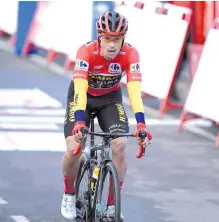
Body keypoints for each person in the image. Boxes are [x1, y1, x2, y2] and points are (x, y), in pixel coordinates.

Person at [61, 10, 152, 220]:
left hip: (109, 99)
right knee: (74, 147)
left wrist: (141, 125)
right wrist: (79, 122)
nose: (112, 45)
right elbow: (80, 89)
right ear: (99, 37)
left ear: (123, 38)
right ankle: (68, 193)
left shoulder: (130, 54)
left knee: (120, 145)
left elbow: (135, 92)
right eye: (107, 39)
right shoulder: (85, 52)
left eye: (117, 39)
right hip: (82, 97)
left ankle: (112, 205)